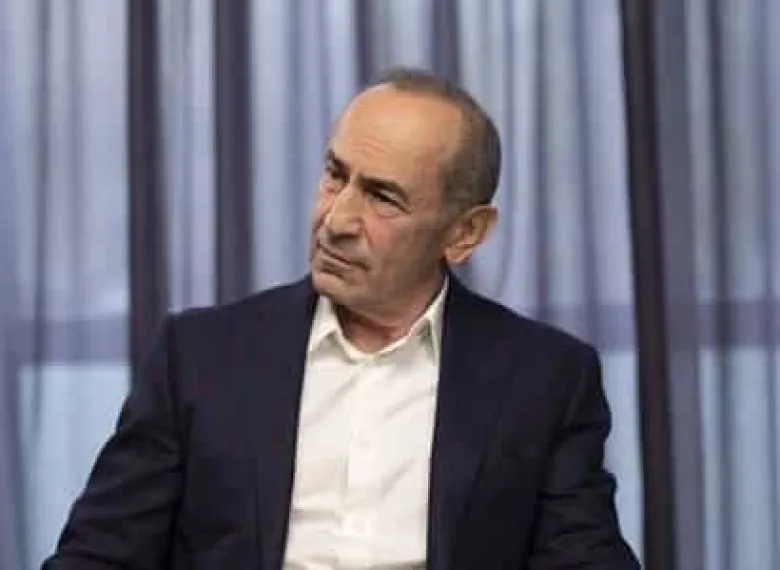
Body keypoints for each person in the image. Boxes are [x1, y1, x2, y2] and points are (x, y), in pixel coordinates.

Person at [43, 67, 639, 570]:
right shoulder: (200, 358)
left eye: (382, 197)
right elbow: (97, 557)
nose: (336, 220)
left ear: (465, 232)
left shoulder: (544, 380)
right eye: (335, 175)